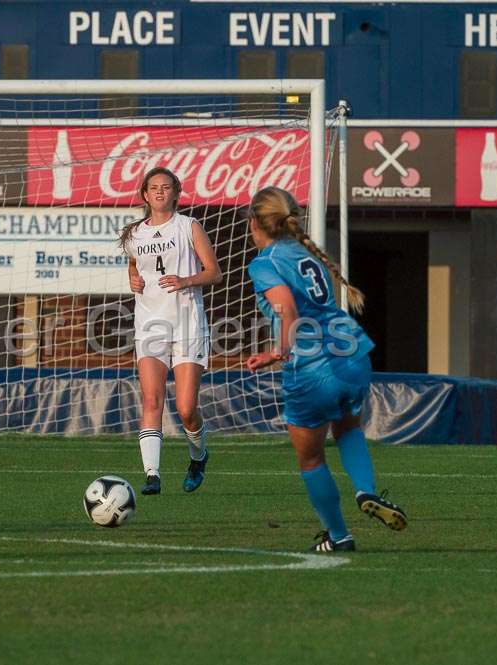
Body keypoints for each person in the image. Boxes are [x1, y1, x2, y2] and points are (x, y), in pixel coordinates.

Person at [244, 186, 407, 552]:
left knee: (311, 457)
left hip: (313, 367)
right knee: (348, 427)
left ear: (254, 223)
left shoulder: (265, 262)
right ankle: (366, 490)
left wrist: (276, 352)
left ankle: (339, 536)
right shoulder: (306, 253)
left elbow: (288, 310)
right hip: (353, 354)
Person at [119, 167, 221, 495]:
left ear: (176, 193)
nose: (160, 192)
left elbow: (214, 272)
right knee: (152, 398)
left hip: (188, 324)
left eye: (166, 187)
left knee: (186, 408)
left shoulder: (189, 226)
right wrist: (132, 278)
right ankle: (152, 474)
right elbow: (135, 265)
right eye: (154, 188)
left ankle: (198, 455)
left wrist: (186, 280)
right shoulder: (135, 233)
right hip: (149, 324)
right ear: (145, 195)